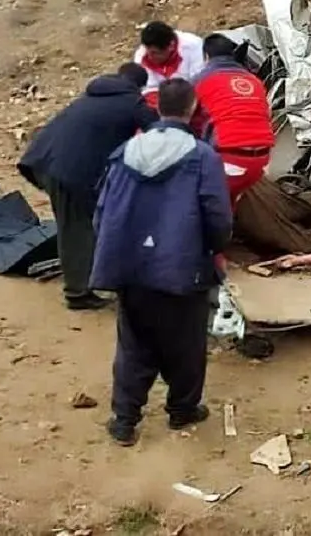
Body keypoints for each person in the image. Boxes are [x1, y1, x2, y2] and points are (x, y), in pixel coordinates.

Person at [90, 77, 232, 446]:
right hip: (182, 266)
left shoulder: (125, 152)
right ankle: (182, 409)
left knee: (134, 344)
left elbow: (101, 211)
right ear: (192, 108)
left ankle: (124, 420)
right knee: (185, 343)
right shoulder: (202, 156)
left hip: (130, 267)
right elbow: (217, 215)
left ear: (157, 108)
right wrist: (214, 250)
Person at [17, 63, 158, 310]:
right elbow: (162, 133)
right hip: (69, 173)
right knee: (77, 229)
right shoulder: (132, 103)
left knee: (87, 221)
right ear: (140, 86)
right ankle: (77, 293)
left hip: (43, 160)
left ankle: (91, 274)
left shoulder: (92, 96)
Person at [193, 34, 275, 206]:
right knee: (228, 204)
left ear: (206, 57)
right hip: (262, 160)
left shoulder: (201, 81)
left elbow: (185, 121)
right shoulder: (255, 81)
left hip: (229, 157)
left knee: (196, 201)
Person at [134, 21, 206, 92]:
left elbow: (198, 81)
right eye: (147, 51)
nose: (149, 57)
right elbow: (147, 89)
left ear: (171, 46)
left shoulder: (194, 46)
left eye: (155, 53)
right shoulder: (141, 57)